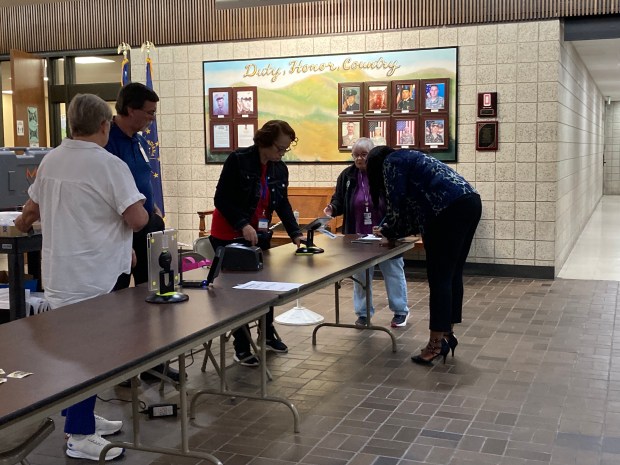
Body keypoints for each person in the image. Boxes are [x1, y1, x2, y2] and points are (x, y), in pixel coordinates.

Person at [14, 94, 149, 461]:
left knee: (76, 350)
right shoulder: (108, 165)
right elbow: (137, 219)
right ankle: (78, 434)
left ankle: (83, 414)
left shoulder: (52, 159)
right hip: (95, 275)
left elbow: (32, 207)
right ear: (105, 125)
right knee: (91, 354)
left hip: (62, 271)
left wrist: (21, 223)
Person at [366, 147, 481, 366]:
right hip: (470, 202)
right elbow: (410, 213)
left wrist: (387, 231)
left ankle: (435, 345)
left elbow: (396, 206)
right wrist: (391, 229)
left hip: (447, 210)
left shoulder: (391, 163)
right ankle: (447, 334)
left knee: (439, 279)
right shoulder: (409, 158)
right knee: (452, 274)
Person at [209, 120, 303, 366]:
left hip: (258, 233)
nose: (282, 154)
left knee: (265, 287)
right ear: (264, 141)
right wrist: (242, 224)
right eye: (279, 148)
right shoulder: (239, 160)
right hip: (229, 232)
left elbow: (282, 203)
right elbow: (221, 199)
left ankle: (267, 333)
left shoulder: (278, 168)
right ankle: (242, 345)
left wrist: (295, 233)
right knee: (238, 292)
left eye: (285, 149)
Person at [105, 82, 179, 382]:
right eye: (148, 113)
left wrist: (155, 212)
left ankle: (151, 362)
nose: (152, 119)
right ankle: (123, 369)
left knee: (154, 296)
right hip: (121, 232)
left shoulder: (137, 140)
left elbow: (143, 179)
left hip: (147, 225)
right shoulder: (107, 141)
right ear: (130, 109)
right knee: (123, 304)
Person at [324, 138, 409, 328]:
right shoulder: (347, 175)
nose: (359, 159)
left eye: (364, 155)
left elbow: (396, 202)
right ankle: (363, 313)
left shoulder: (382, 173)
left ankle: (400, 311)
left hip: (385, 233)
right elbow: (339, 199)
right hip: (357, 234)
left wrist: (390, 227)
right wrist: (332, 208)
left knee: (393, 271)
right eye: (355, 155)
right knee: (361, 275)